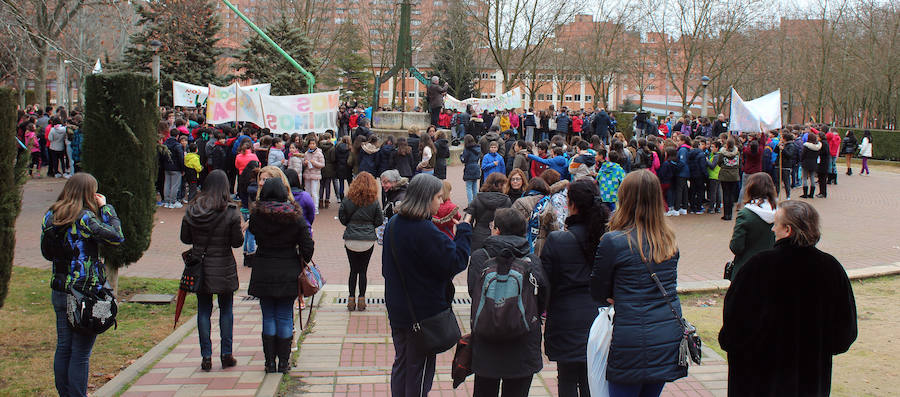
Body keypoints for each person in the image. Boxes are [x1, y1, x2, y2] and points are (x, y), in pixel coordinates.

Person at [719, 200, 857, 396]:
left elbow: (734, 325)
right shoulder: (831, 268)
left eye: (776, 224)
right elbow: (845, 331)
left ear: (788, 230)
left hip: (758, 378)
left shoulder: (757, 266)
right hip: (809, 379)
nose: (773, 229)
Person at [591, 170, 688, 397]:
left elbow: (597, 291)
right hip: (666, 334)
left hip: (631, 338)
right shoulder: (669, 241)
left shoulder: (613, 241)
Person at [383, 174, 472, 396]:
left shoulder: (394, 224)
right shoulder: (424, 230)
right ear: (426, 198)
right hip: (422, 315)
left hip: (399, 309)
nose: (442, 202)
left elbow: (387, 269)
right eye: (439, 197)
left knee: (402, 364)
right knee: (419, 371)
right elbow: (455, 261)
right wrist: (463, 232)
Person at [41, 173, 125, 397]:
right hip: (85, 293)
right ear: (90, 193)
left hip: (60, 288)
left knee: (64, 347)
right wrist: (106, 208)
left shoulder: (51, 215)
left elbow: (46, 253)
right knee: (80, 352)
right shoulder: (85, 218)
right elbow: (116, 236)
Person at [468, 208, 548, 397]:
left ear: (497, 230)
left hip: (487, 337)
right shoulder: (531, 260)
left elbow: (474, 292)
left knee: (484, 391)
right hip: (522, 340)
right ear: (522, 231)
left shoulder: (481, 256)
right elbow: (542, 297)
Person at [540, 180, 609, 397]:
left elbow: (545, 281)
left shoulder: (558, 240)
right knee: (593, 378)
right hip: (599, 317)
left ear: (571, 205)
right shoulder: (607, 239)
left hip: (564, 316)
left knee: (567, 377)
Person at [249, 174, 315, 373]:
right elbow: (307, 245)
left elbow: (253, 232)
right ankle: (284, 362)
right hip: (288, 269)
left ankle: (270, 362)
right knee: (285, 316)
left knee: (268, 315)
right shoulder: (294, 216)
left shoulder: (257, 215)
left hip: (263, 268)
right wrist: (301, 258)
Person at [180, 170, 243, 371]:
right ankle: (226, 353)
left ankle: (206, 356)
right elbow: (236, 243)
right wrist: (240, 230)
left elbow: (185, 238)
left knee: (203, 310)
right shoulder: (231, 211)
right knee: (226, 309)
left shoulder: (193, 210)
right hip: (223, 264)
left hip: (200, 265)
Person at [339, 172, 383, 312]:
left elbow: (342, 218)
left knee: (353, 270)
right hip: (367, 239)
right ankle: (362, 299)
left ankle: (351, 299)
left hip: (351, 237)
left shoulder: (347, 199)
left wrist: (351, 224)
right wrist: (369, 226)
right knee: (363, 271)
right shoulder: (374, 201)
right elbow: (379, 220)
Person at [728, 172, 777, 280]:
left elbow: (736, 247)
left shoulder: (745, 214)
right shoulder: (780, 214)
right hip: (771, 267)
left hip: (747, 268)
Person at [467, 172, 513, 251]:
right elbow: (509, 223)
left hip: (478, 236)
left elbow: (469, 220)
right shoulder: (506, 201)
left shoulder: (478, 198)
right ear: (499, 185)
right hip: (499, 237)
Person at [718, 137, 741, 221]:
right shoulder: (737, 153)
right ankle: (730, 214)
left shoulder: (722, 153)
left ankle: (726, 214)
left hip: (725, 175)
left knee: (725, 194)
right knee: (731, 195)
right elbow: (740, 163)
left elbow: (719, 162)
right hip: (734, 175)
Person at [303, 137, 326, 213]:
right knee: (307, 192)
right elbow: (303, 162)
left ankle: (315, 208)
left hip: (315, 174)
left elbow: (322, 164)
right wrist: (305, 163)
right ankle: (308, 207)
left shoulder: (319, 153)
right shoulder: (306, 153)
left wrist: (314, 163)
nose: (312, 145)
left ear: (316, 144)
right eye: (310, 143)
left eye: (313, 143)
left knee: (314, 192)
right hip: (307, 174)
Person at [461, 134, 483, 203]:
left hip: (469, 167)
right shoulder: (477, 148)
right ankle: (476, 202)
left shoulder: (467, 149)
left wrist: (461, 156)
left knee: (469, 187)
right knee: (474, 186)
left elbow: (464, 159)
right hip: (476, 167)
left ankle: (470, 204)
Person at [799, 133, 821, 198]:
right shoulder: (818, 146)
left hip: (806, 163)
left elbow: (803, 155)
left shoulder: (806, 146)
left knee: (805, 178)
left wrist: (801, 160)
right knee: (812, 178)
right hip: (814, 163)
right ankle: (811, 194)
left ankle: (805, 194)